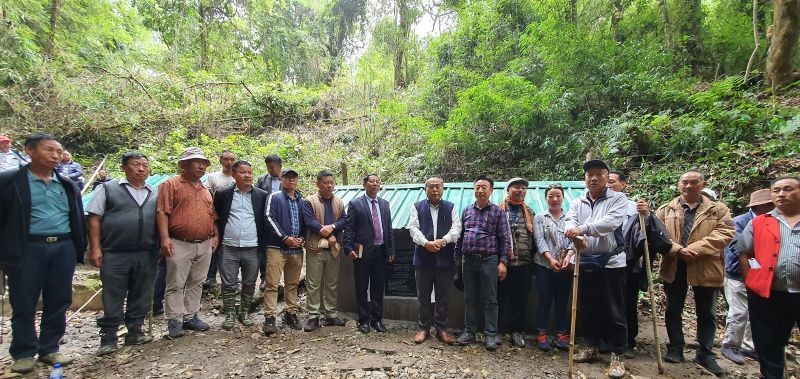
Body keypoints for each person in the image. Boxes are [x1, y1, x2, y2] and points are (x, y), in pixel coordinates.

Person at [0, 133, 87, 374]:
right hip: (27, 248)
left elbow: (77, 217)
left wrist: (79, 247)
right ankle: (24, 352)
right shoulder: (9, 182)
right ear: (29, 150)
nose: (56, 156)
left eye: (59, 152)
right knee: (24, 300)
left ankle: (49, 347)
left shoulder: (67, 184)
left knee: (59, 299)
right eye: (49, 150)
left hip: (63, 246)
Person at [651, 170, 734, 376]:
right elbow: (657, 234)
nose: (688, 186)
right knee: (673, 309)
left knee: (707, 313)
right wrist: (678, 250)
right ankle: (675, 347)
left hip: (705, 264)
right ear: (679, 185)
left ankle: (705, 353)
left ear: (702, 184)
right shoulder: (666, 209)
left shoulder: (718, 209)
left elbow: (725, 233)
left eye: (694, 182)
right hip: (674, 264)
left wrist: (695, 248)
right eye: (685, 182)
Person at [87, 152, 158, 356]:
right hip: (115, 252)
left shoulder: (154, 192)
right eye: (136, 165)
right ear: (124, 168)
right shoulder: (107, 189)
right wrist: (95, 248)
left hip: (146, 252)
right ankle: (108, 337)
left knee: (142, 292)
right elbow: (94, 219)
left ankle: (134, 331)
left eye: (145, 165)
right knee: (113, 294)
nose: (141, 169)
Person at [564, 160, 628, 379]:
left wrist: (581, 230)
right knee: (587, 306)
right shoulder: (578, 201)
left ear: (606, 177)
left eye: (598, 174)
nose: (593, 178)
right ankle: (590, 346)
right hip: (586, 259)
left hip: (611, 262)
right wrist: (577, 237)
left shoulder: (618, 199)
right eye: (589, 174)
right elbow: (569, 221)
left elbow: (610, 223)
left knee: (614, 309)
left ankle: (618, 354)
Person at [738, 176, 800, 379]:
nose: (781, 194)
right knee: (768, 343)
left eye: (788, 189)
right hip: (768, 295)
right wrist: (752, 282)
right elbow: (744, 252)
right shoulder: (759, 223)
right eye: (776, 190)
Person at [156, 147, 219, 339]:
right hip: (179, 242)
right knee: (175, 283)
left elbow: (212, 215)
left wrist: (215, 235)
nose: (201, 166)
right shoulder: (171, 185)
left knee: (197, 282)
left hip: (205, 242)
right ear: (184, 165)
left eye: (204, 163)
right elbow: (162, 212)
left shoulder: (205, 189)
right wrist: (165, 238)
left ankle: (190, 315)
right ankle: (174, 320)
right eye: (196, 162)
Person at [454, 175, 510, 351]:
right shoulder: (466, 211)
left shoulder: (498, 212)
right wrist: (457, 258)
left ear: (491, 190)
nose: (480, 190)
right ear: (474, 190)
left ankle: (490, 335)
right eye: (477, 187)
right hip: (468, 260)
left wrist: (503, 262)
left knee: (490, 299)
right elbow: (461, 236)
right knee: (469, 297)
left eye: (484, 187)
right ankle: (469, 331)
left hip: (489, 260)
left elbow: (505, 238)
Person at [213, 161, 267, 330]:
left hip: (252, 246)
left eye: (250, 172)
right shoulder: (222, 194)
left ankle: (244, 312)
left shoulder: (261, 195)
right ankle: (230, 314)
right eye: (242, 172)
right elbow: (215, 217)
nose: (247, 175)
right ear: (234, 175)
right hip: (229, 246)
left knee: (250, 281)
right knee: (228, 282)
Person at [720, 188, 773, 364]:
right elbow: (738, 249)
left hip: (762, 275)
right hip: (738, 274)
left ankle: (750, 346)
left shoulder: (771, 221)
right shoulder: (740, 222)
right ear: (761, 206)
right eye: (770, 205)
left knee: (755, 311)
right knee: (739, 311)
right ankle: (730, 345)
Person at [408, 177, 461, 345]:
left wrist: (443, 241)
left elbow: (457, 228)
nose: (435, 190)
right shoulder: (417, 207)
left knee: (443, 297)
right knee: (423, 296)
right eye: (431, 187)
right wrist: (426, 243)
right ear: (426, 189)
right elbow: (413, 228)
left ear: (443, 188)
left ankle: (441, 330)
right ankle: (424, 328)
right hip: (423, 258)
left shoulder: (450, 207)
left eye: (438, 186)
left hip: (445, 259)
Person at [343, 174, 396, 334]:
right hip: (362, 252)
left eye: (377, 182)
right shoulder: (355, 204)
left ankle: (377, 319)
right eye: (371, 181)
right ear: (365, 184)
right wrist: (348, 247)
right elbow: (349, 228)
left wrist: (391, 249)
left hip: (381, 252)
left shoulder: (385, 204)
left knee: (378, 287)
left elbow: (389, 229)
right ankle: (363, 320)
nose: (375, 184)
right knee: (361, 286)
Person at [302, 170, 349, 332]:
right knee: (314, 284)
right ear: (318, 184)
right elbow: (309, 221)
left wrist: (333, 227)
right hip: (315, 248)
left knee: (332, 282)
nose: (329, 186)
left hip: (333, 249)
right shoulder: (309, 201)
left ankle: (331, 314)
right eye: (326, 183)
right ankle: (313, 316)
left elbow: (344, 220)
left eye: (331, 183)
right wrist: (327, 233)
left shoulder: (339, 202)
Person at [262, 168, 306, 335]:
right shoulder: (274, 197)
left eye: (294, 178)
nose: (291, 181)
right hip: (277, 247)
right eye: (287, 178)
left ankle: (290, 312)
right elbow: (268, 217)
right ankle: (270, 316)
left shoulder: (302, 201)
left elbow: (306, 221)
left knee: (292, 283)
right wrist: (284, 237)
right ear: (282, 180)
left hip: (296, 248)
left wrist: (302, 238)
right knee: (272, 283)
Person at [532, 183, 574, 351]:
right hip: (544, 265)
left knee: (562, 300)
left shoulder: (571, 217)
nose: (554, 199)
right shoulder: (540, 218)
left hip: (565, 265)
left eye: (558, 195)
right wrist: (550, 260)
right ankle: (541, 334)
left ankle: (561, 334)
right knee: (544, 299)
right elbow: (539, 241)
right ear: (546, 199)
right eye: (551, 196)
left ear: (563, 198)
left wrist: (568, 257)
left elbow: (574, 240)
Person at [497, 177, 535, 348]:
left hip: (525, 263)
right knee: (499, 298)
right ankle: (496, 330)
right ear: (508, 190)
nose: (520, 190)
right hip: (503, 263)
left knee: (520, 300)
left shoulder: (530, 212)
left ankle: (516, 332)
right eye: (516, 187)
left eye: (523, 188)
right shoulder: (497, 211)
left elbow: (535, 237)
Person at [607, 170, 641, 358]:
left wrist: (646, 216)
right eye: (607, 182)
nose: (609, 185)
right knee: (607, 301)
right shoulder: (599, 205)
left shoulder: (635, 208)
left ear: (623, 185)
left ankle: (628, 341)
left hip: (629, 261)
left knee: (627, 301)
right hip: (606, 260)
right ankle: (606, 338)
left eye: (612, 181)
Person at [203, 150, 238, 291]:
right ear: (220, 161)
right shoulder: (213, 177)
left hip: (234, 217)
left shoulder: (238, 177)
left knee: (234, 247)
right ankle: (210, 276)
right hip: (218, 215)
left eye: (231, 159)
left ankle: (233, 276)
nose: (228, 162)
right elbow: (208, 197)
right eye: (225, 159)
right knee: (215, 246)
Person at [255, 154, 283, 291]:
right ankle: (264, 278)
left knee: (281, 252)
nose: (270, 170)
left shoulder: (287, 179)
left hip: (282, 221)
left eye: (272, 167)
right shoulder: (262, 180)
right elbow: (256, 198)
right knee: (264, 251)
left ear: (279, 166)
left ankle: (279, 279)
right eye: (268, 167)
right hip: (265, 221)